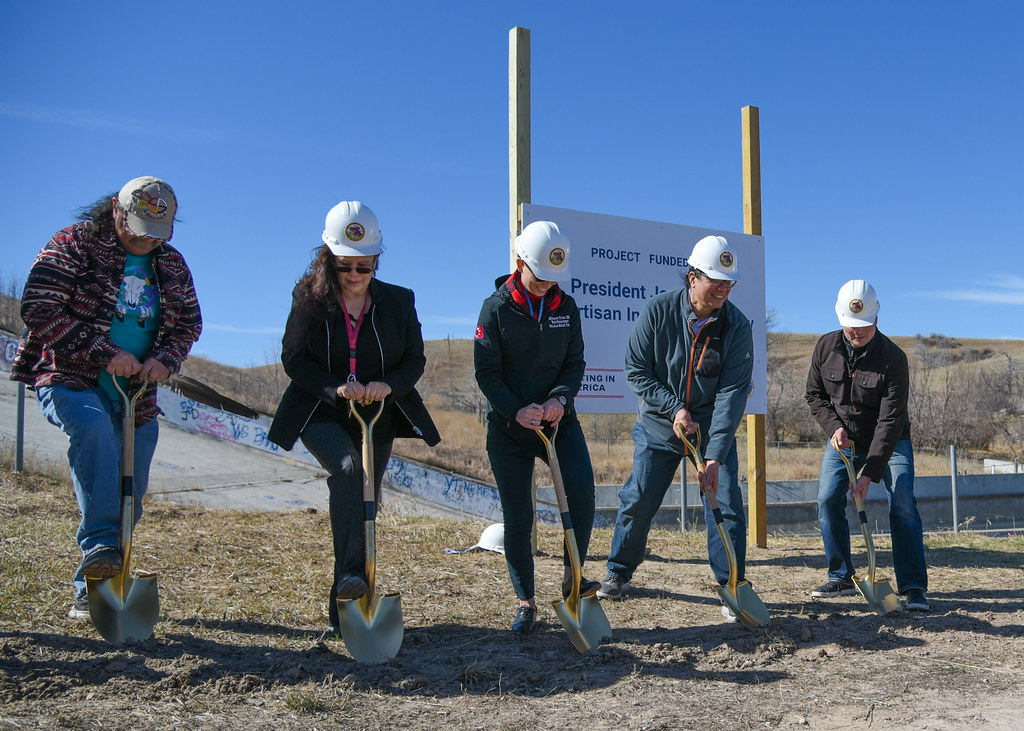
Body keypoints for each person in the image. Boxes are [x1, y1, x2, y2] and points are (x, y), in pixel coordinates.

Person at [11, 176, 202, 620]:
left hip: (138, 393)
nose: (144, 241)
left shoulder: (172, 264)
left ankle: (105, 585)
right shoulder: (74, 243)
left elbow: (189, 324)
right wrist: (104, 353)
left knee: (129, 488)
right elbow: (39, 306)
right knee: (95, 432)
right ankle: (98, 555)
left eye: (155, 235)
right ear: (116, 210)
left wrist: (165, 360)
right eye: (137, 230)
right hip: (70, 378)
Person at [268, 200, 439, 633]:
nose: (355, 275)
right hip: (322, 410)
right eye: (345, 266)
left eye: (364, 266)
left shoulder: (399, 301)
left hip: (377, 413)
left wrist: (388, 385)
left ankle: (347, 607)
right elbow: (293, 358)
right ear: (329, 259)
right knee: (348, 472)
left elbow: (415, 360)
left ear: (376, 260)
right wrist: (335, 387)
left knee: (366, 499)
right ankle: (350, 577)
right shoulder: (309, 297)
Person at [598, 235, 754, 623]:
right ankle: (619, 572)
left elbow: (732, 394)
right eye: (715, 281)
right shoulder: (658, 311)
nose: (723, 289)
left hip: (711, 432)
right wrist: (674, 408)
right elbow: (636, 369)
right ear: (692, 277)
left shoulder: (736, 326)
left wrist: (714, 455)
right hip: (659, 427)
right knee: (638, 499)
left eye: (728, 283)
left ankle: (731, 585)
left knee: (727, 504)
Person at [474, 221, 598, 634]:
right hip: (509, 430)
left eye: (553, 278)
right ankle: (525, 601)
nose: (546, 285)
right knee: (519, 516)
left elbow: (574, 363)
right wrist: (515, 410)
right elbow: (486, 372)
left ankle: (572, 579)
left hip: (558, 422)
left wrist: (558, 400)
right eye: (539, 275)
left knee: (582, 494)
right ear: (520, 263)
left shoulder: (567, 307)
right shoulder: (495, 309)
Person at [805, 280, 929, 611]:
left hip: (891, 441)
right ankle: (841, 576)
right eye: (851, 325)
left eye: (863, 325)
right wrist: (834, 428)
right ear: (839, 317)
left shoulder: (893, 358)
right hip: (843, 439)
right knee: (827, 499)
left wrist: (869, 474)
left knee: (902, 500)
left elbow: (891, 420)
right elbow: (814, 395)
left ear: (876, 317)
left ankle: (913, 586)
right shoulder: (825, 347)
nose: (857, 331)